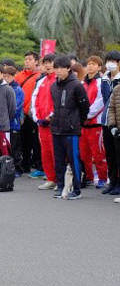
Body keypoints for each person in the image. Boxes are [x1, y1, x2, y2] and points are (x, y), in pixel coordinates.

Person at [50, 55, 89, 200]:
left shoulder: (77, 85)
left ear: (68, 69)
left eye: (62, 68)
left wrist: (77, 122)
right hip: (56, 127)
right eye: (56, 68)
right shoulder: (53, 86)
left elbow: (85, 107)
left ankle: (77, 189)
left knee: (74, 160)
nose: (58, 71)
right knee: (58, 160)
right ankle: (61, 187)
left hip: (71, 129)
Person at [79, 56, 110, 189]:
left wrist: (87, 114)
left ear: (99, 67)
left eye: (93, 64)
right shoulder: (82, 83)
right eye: (88, 64)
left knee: (98, 153)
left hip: (96, 124)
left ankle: (103, 177)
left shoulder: (100, 82)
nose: (90, 66)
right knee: (83, 153)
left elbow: (101, 101)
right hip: (83, 124)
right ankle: (88, 176)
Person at [31, 54, 58, 190]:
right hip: (41, 123)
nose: (47, 65)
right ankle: (50, 178)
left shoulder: (58, 80)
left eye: (50, 62)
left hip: (55, 123)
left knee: (56, 152)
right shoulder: (41, 81)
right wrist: (37, 118)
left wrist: (50, 117)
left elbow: (59, 103)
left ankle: (59, 179)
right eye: (45, 63)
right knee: (45, 152)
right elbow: (34, 100)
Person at [16, 51, 44, 177]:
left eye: (30, 59)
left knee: (35, 142)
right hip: (21, 113)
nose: (27, 61)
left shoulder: (40, 76)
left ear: (36, 61)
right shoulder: (19, 76)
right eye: (26, 59)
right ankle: (24, 165)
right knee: (23, 141)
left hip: (33, 113)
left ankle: (39, 166)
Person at [102, 51, 120, 194]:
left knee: (118, 152)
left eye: (113, 61)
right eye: (108, 61)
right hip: (106, 119)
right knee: (110, 153)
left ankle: (118, 183)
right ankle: (112, 181)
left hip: (117, 121)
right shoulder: (104, 78)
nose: (110, 64)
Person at [4, 66, 25, 176]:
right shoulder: (2, 88)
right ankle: (7, 168)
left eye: (8, 76)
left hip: (14, 123)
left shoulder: (18, 90)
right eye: (5, 76)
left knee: (15, 147)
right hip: (3, 123)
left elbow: (16, 107)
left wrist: (5, 115)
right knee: (6, 147)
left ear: (13, 76)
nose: (6, 78)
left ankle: (18, 168)